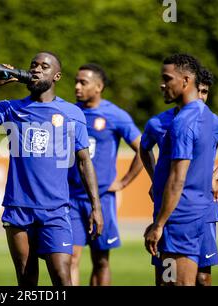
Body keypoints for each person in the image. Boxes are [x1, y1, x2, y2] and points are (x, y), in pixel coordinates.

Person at [0, 52, 103, 286]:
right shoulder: (11, 108)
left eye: (44, 66)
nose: (36, 70)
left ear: (57, 76)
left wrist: (96, 207)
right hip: (18, 209)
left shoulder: (72, 113)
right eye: (33, 65)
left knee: (63, 276)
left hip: (56, 210)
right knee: (26, 278)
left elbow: (84, 161)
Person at [142, 66, 218, 286]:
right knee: (166, 278)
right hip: (170, 209)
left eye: (206, 93)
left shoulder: (215, 122)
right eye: (200, 91)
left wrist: (215, 176)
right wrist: (154, 177)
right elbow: (144, 148)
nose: (201, 97)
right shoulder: (158, 123)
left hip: (203, 209)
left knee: (202, 277)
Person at [68, 64, 143, 286]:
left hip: (102, 199)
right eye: (76, 81)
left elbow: (143, 148)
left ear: (99, 86)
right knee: (70, 258)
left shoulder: (115, 115)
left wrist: (123, 182)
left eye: (83, 82)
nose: (77, 86)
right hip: (71, 198)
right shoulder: (69, 112)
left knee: (100, 261)